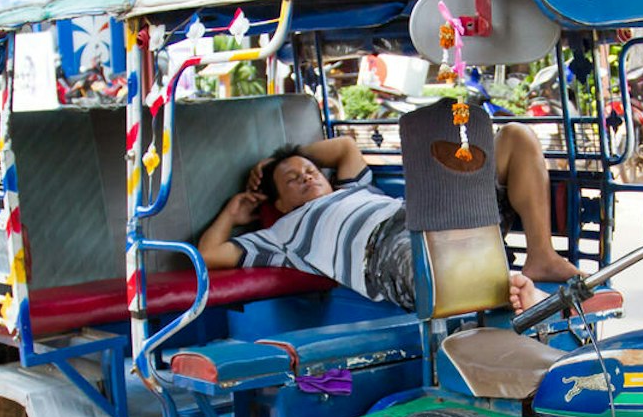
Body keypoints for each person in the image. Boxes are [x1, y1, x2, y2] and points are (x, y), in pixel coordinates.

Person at [197, 123, 579, 312]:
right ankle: (510, 289)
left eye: (311, 170)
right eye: (292, 180)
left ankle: (540, 257)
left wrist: (280, 157)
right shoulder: (281, 232)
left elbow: (345, 147)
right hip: (380, 250)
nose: (307, 177)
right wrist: (233, 212)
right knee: (433, 271)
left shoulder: (352, 187)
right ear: (279, 204)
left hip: (424, 212)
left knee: (515, 136)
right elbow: (210, 254)